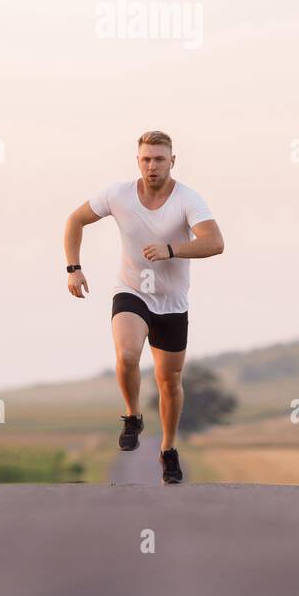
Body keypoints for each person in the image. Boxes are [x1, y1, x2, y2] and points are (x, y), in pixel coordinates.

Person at [64, 130, 224, 483]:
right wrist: (73, 268)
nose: (152, 166)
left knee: (170, 381)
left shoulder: (187, 199)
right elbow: (75, 220)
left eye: (160, 159)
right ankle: (133, 415)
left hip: (171, 302)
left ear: (172, 161)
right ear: (138, 161)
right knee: (127, 355)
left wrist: (172, 248)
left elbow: (215, 242)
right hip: (131, 292)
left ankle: (167, 449)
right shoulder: (117, 194)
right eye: (146, 159)